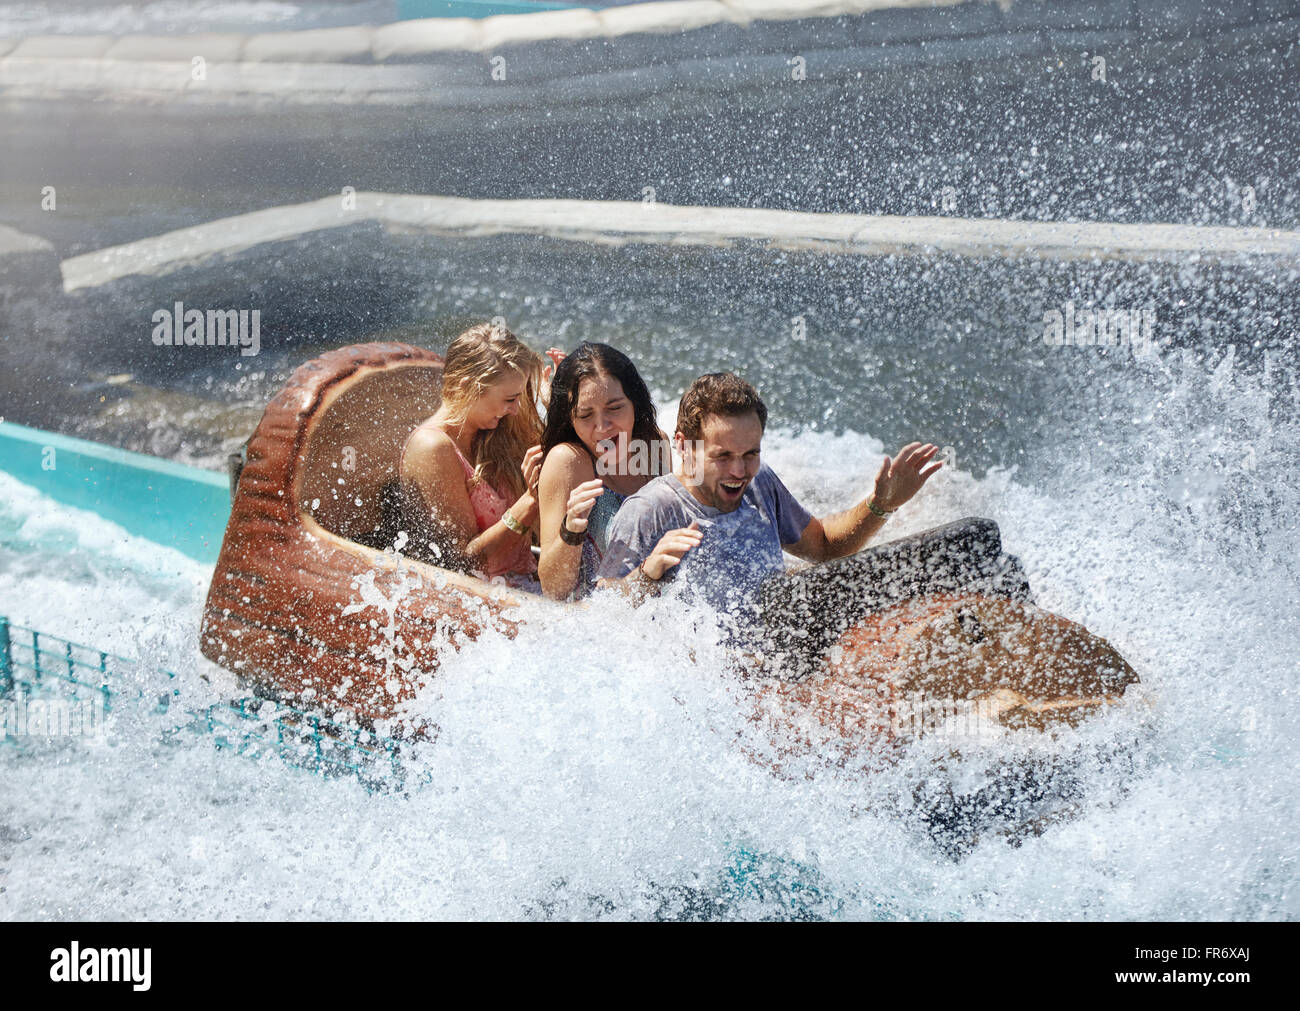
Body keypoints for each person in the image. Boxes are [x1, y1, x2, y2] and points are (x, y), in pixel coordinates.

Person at [596, 372, 943, 632]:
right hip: (706, 688)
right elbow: (603, 618)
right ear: (685, 447)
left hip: (780, 663)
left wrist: (882, 505)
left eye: (751, 453)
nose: (738, 471)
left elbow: (822, 546)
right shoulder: (650, 511)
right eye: (723, 456)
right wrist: (648, 572)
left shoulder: (761, 485)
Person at [399, 322, 562, 586]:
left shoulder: (495, 429)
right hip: (475, 601)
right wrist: (530, 501)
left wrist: (562, 408)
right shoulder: (433, 447)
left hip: (526, 584)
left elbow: (561, 464)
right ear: (467, 388)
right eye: (509, 399)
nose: (515, 409)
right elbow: (464, 561)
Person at [536, 343, 670, 600]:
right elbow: (552, 590)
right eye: (585, 414)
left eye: (615, 408)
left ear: (635, 403)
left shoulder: (655, 445)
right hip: (597, 626)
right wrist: (571, 529)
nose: (603, 427)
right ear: (571, 420)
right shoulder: (570, 461)